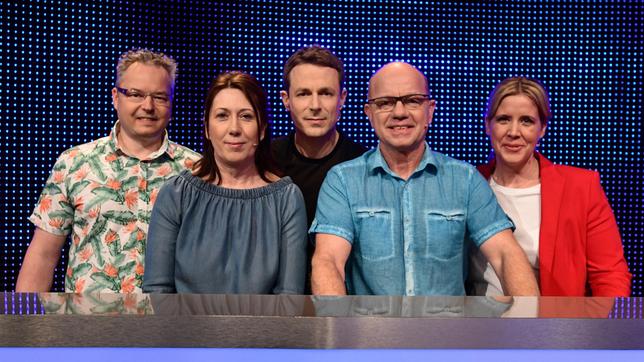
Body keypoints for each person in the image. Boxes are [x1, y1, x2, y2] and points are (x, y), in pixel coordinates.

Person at [310, 62, 539, 296]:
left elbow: (505, 254)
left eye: (412, 100)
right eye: (386, 103)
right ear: (369, 114)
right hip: (371, 330)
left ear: (430, 110)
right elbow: (329, 261)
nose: (399, 113)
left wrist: (532, 326)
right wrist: (336, 330)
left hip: (446, 330)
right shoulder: (343, 181)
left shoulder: (465, 179)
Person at [16, 49, 200, 293]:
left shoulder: (196, 170)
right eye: (136, 94)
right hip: (88, 328)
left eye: (160, 97)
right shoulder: (75, 163)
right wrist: (25, 327)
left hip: (168, 326)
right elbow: (42, 256)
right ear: (115, 97)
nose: (148, 106)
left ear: (172, 102)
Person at [143, 71, 307, 294]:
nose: (234, 128)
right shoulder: (176, 194)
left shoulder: (287, 199)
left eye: (246, 116)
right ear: (207, 128)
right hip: (183, 328)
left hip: (265, 329)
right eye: (222, 116)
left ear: (262, 130)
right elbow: (158, 291)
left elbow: (289, 296)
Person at [469, 76, 631, 296]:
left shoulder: (581, 187)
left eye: (526, 121)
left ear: (542, 128)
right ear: (488, 125)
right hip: (476, 325)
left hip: (553, 326)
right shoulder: (467, 184)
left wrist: (603, 328)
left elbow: (609, 276)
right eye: (504, 119)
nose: (514, 132)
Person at [272, 45, 366, 293]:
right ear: (286, 100)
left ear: (342, 99)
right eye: (303, 94)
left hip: (344, 304)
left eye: (325, 93)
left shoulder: (364, 165)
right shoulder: (264, 161)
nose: (315, 105)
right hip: (273, 305)